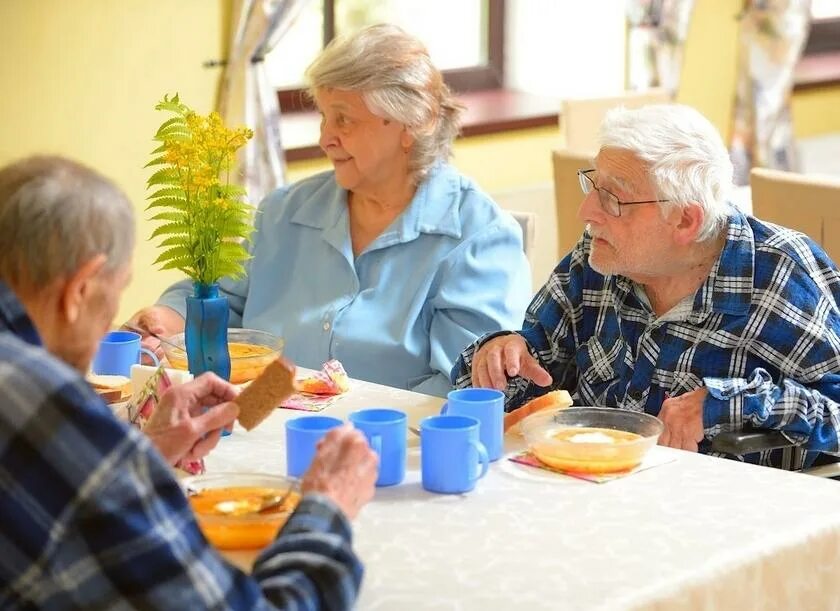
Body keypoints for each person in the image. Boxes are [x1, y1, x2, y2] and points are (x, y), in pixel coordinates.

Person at [0, 155, 378, 608]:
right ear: (79, 291)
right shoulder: (45, 403)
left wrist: (140, 455)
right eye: (117, 293)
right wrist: (326, 510)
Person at [128, 24, 531, 397]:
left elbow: (462, 385)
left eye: (344, 119)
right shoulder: (284, 211)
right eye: (323, 116)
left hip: (393, 445)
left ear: (415, 122)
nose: (325, 138)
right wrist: (170, 315)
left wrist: (344, 425)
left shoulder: (479, 238)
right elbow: (222, 297)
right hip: (264, 418)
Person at [452, 104, 840, 471]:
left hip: (731, 517)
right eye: (593, 186)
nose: (586, 212)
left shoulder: (777, 274)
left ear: (686, 221)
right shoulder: (600, 257)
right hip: (593, 490)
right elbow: (533, 368)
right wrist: (499, 357)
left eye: (613, 198)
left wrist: (727, 403)